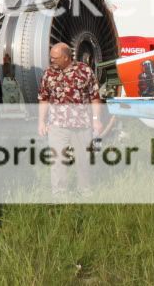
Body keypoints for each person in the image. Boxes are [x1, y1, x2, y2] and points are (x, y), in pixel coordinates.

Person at [37, 43, 102, 197]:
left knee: (83, 161)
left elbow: (95, 98)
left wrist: (96, 119)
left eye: (55, 58)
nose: (52, 60)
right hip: (57, 125)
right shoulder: (48, 74)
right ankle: (60, 195)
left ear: (66, 57)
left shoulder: (84, 71)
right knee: (58, 162)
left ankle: (84, 191)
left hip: (82, 124)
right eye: (51, 57)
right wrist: (41, 121)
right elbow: (43, 99)